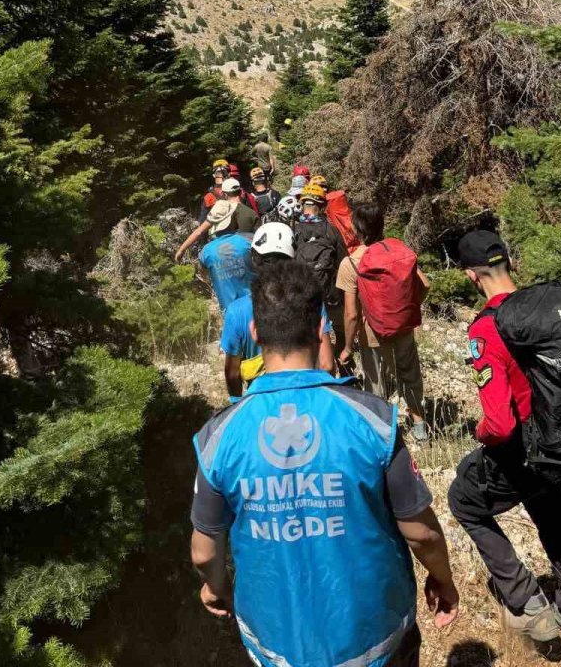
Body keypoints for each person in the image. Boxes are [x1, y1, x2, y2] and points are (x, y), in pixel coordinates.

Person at [191, 261, 460, 666]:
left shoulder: (217, 437)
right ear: (320, 330)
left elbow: (204, 551)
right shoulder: (373, 420)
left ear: (255, 333)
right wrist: (442, 578)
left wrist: (215, 586)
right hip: (376, 637)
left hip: (277, 644)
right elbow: (421, 532)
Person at [447, 231, 561, 646]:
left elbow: (499, 424)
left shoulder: (487, 329)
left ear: (471, 276)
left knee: (463, 500)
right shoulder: (546, 311)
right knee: (558, 525)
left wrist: (478, 432)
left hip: (522, 449)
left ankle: (527, 604)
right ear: (510, 264)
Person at [337, 202, 430, 443]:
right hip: (403, 325)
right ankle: (420, 426)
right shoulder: (398, 252)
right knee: (409, 374)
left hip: (372, 332)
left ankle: (381, 432)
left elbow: (351, 315)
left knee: (375, 381)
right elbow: (426, 285)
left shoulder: (351, 263)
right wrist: (408, 308)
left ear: (358, 230)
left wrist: (347, 348)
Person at [221, 223, 335, 396]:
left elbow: (232, 373)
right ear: (292, 257)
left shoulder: (236, 311)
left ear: (254, 258)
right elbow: (327, 364)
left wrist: (237, 403)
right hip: (308, 396)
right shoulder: (311, 300)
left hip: (260, 400)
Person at [293, 182, 348, 349]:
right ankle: (341, 350)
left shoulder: (295, 230)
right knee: (338, 324)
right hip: (328, 290)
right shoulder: (331, 230)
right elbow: (343, 260)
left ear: (303, 204)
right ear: (322, 206)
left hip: (303, 290)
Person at [174, 199, 253, 312]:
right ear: (231, 218)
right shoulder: (248, 241)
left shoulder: (206, 252)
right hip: (255, 306)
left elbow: (205, 275)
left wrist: (181, 250)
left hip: (229, 312)